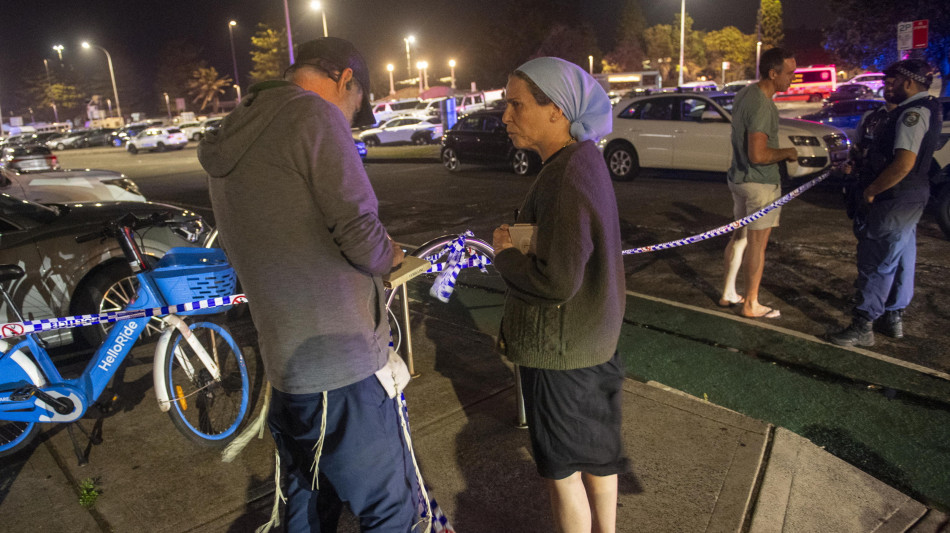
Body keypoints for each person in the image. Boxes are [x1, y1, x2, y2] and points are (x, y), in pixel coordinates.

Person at [197, 38, 424, 532]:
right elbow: (360, 234)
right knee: (389, 509)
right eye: (357, 102)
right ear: (345, 80)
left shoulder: (234, 133)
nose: (351, 114)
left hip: (287, 365)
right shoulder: (314, 117)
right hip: (341, 365)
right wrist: (394, 257)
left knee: (305, 504)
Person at [491, 57, 627, 533]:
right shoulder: (584, 160)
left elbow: (556, 281)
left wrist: (505, 252)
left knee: (562, 474)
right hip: (592, 344)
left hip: (560, 354)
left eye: (516, 104)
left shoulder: (565, 174)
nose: (505, 116)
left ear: (557, 111)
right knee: (598, 456)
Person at [830, 59, 942, 347]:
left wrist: (872, 190)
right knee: (899, 256)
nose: (886, 87)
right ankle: (890, 316)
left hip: (894, 198)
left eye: (891, 81)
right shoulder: (919, 109)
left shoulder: (911, 114)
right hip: (908, 197)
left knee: (877, 260)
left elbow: (903, 163)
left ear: (908, 82)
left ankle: (863, 325)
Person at [719, 47, 799, 319]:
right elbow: (759, 154)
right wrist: (788, 153)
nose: (793, 78)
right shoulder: (764, 106)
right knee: (757, 245)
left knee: (739, 237)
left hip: (738, 178)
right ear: (773, 73)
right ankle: (751, 303)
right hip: (760, 184)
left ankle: (728, 292)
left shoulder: (745, 93)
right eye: (789, 73)